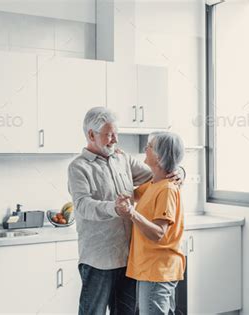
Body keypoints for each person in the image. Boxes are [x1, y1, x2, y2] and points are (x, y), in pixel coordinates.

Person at [67, 107, 184, 315]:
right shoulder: (78, 167)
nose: (115, 140)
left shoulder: (123, 159)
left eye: (116, 134)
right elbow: (83, 205)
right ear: (91, 135)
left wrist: (178, 172)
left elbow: (158, 173)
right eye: (109, 135)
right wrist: (114, 208)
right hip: (99, 259)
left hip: (130, 259)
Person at [115, 131, 186, 315]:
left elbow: (158, 233)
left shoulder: (167, 189)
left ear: (160, 156)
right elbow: (134, 194)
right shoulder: (155, 183)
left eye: (150, 147)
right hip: (152, 268)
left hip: (158, 269)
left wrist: (132, 214)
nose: (145, 149)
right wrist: (119, 160)